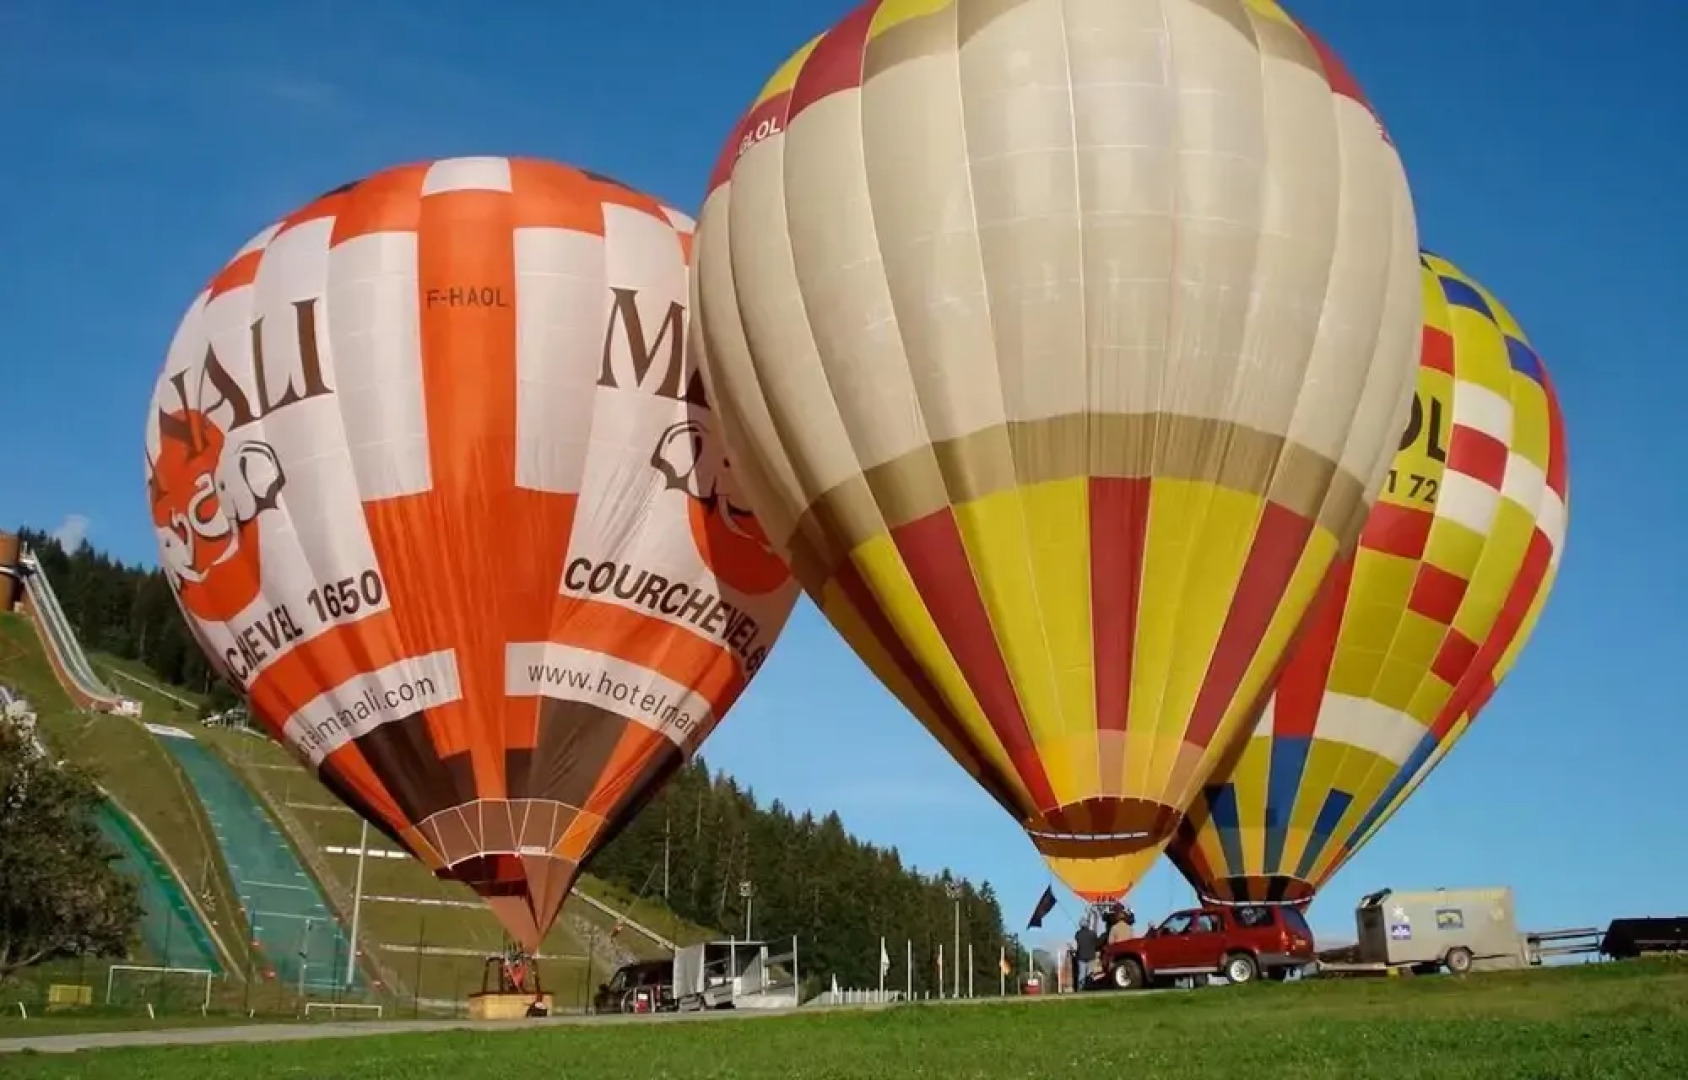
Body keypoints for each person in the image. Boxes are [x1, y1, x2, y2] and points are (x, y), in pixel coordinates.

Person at [1073, 913, 1101, 987]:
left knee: (1081, 973)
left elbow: (1077, 939)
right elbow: (1097, 942)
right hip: (1091, 956)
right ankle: (1089, 987)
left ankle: (1081, 987)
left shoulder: (1078, 934)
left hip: (1081, 957)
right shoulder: (1092, 933)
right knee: (1089, 973)